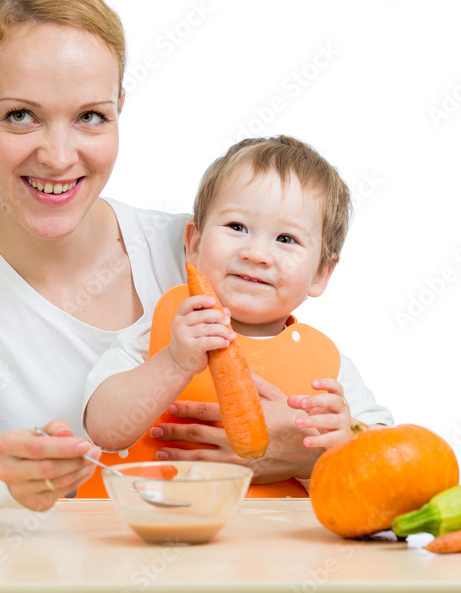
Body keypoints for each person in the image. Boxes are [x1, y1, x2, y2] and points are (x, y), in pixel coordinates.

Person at [0, 0, 337, 516]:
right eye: (21, 116)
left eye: (90, 116)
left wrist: (312, 453)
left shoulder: (201, 250)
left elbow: (326, 398)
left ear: (118, 109)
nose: (59, 156)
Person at [79, 136, 392, 498]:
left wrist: (344, 437)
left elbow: (391, 461)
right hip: (150, 526)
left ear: (321, 273)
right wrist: (174, 362)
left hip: (277, 537)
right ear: (195, 244)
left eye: (286, 239)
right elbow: (103, 430)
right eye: (237, 227)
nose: (256, 253)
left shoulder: (328, 369)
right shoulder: (162, 333)